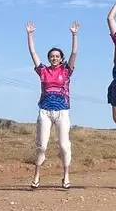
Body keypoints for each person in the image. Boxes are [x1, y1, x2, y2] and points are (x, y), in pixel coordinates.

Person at [26, 20, 78, 189]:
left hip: (62, 112)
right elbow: (33, 52)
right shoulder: (43, 71)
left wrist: (74, 35)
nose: (54, 58)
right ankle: (36, 176)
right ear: (49, 58)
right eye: (51, 56)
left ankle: (66, 176)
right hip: (45, 111)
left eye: (57, 56)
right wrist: (30, 34)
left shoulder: (66, 71)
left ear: (61, 58)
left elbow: (74, 52)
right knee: (41, 145)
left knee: (64, 145)